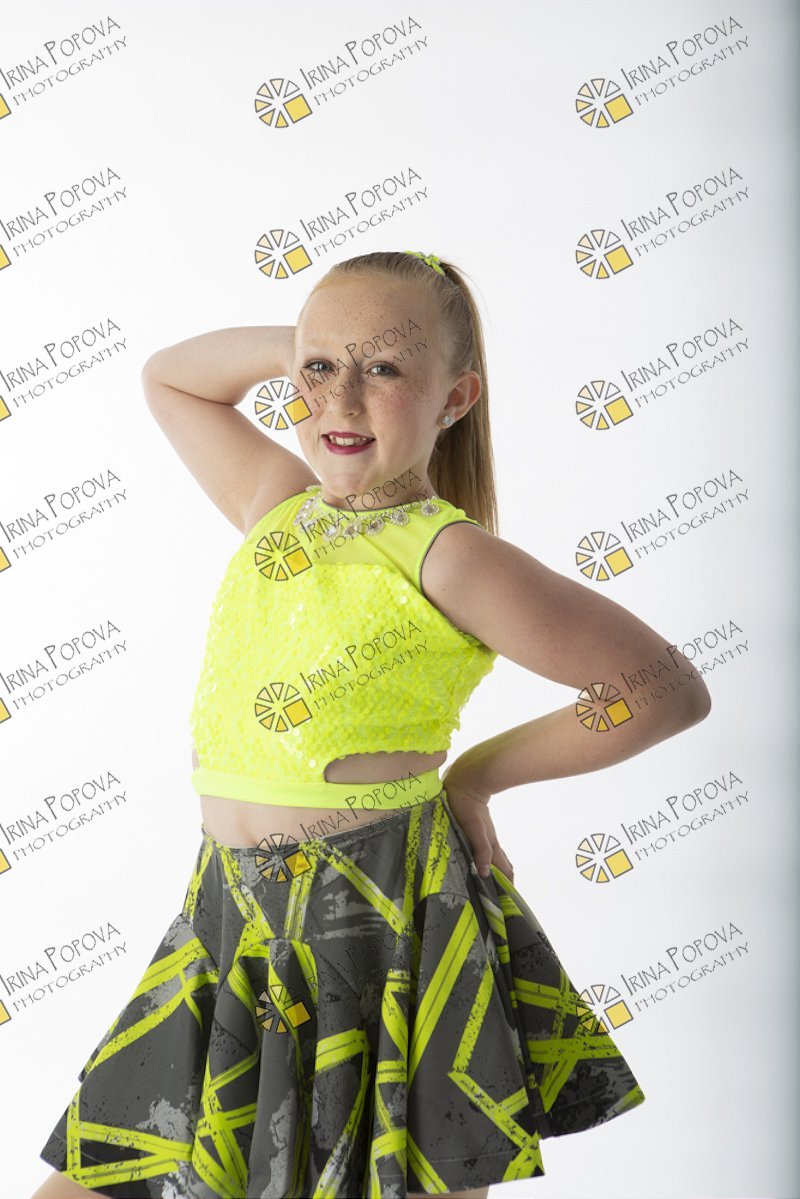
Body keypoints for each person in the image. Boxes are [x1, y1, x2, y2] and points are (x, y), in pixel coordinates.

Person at [33, 249, 711, 1199]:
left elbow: (663, 687)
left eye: (385, 368)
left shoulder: (448, 554)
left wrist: (476, 776)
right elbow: (172, 379)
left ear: (456, 397)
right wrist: (314, 350)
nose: (341, 399)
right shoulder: (276, 506)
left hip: (381, 922)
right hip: (231, 919)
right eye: (319, 369)